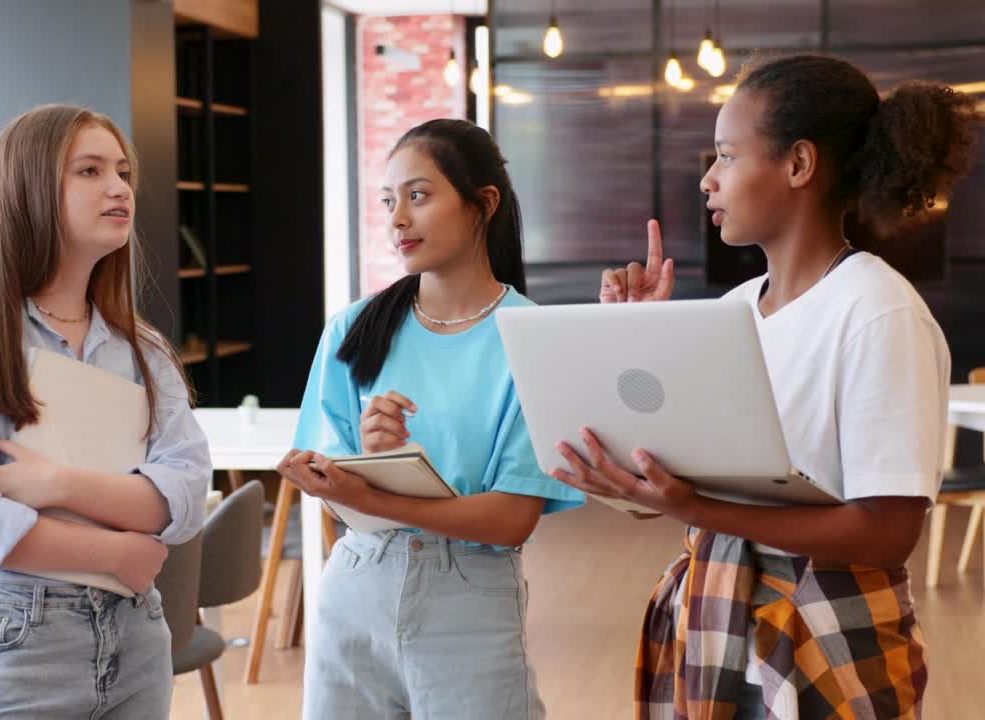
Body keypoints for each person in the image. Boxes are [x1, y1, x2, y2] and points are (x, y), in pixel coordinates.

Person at [561, 55, 979, 718]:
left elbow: (888, 533)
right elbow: (675, 489)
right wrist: (636, 344)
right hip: (720, 626)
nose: (708, 179)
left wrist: (697, 511)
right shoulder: (734, 309)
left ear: (798, 165)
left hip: (828, 642)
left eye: (726, 156)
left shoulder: (878, 310)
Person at [0, 104, 210, 719]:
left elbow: (188, 493)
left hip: (136, 635)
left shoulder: (142, 348)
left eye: (122, 172)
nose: (118, 187)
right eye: (89, 171)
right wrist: (116, 552)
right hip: (13, 635)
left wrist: (60, 485)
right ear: (30, 190)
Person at [278, 118, 584, 719]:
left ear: (484, 204)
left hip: (469, 597)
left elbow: (510, 518)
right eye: (389, 201)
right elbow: (333, 493)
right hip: (357, 586)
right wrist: (367, 459)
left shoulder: (536, 340)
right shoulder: (353, 329)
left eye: (418, 196)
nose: (397, 220)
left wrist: (376, 489)